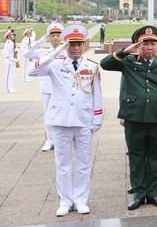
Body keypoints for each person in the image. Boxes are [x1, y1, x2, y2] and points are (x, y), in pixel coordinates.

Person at [29, 25, 103, 217]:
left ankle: (80, 199)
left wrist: (97, 120)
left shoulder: (92, 66)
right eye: (72, 44)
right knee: (62, 163)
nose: (76, 48)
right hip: (61, 120)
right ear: (65, 45)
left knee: (84, 163)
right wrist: (55, 54)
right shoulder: (55, 63)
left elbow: (97, 94)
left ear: (84, 45)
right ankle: (64, 200)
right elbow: (32, 72)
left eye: (79, 44)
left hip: (83, 120)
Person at [100, 26, 157, 210]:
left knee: (156, 156)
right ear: (138, 46)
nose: (150, 47)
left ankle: (154, 193)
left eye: (153, 44)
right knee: (137, 155)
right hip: (134, 116)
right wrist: (126, 51)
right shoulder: (128, 61)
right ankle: (139, 193)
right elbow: (105, 64)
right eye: (145, 44)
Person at [25, 23, 64, 152]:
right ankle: (49, 140)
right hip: (47, 88)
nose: (55, 38)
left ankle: (60, 140)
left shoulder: (65, 51)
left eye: (58, 36)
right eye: (52, 36)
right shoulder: (43, 52)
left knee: (61, 115)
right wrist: (41, 40)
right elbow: (27, 53)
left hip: (61, 88)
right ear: (49, 38)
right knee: (48, 116)